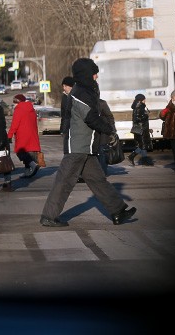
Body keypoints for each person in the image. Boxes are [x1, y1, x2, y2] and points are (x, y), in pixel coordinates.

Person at [39, 58, 136, 227]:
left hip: (86, 147)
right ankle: (49, 216)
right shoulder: (80, 93)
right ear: (86, 74)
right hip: (77, 147)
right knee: (64, 182)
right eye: (94, 73)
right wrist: (108, 129)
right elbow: (90, 117)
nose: (96, 76)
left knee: (98, 180)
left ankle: (118, 212)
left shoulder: (85, 91)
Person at [7, 94, 40, 178]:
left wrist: (9, 135)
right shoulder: (31, 108)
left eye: (15, 102)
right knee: (28, 153)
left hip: (22, 134)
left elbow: (15, 124)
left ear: (18, 102)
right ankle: (27, 172)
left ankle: (33, 165)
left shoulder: (19, 109)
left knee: (20, 152)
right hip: (32, 134)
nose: (14, 104)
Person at [128, 94, 154, 166]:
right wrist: (145, 115)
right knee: (143, 145)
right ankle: (132, 156)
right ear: (141, 100)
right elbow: (137, 118)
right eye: (144, 99)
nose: (145, 100)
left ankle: (145, 161)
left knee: (143, 145)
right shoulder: (139, 107)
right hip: (141, 129)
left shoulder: (139, 106)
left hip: (142, 129)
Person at [97, 98, 116, 176]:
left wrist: (112, 130)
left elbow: (110, 117)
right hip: (93, 133)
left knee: (102, 152)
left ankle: (103, 172)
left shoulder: (101, 103)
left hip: (103, 132)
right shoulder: (87, 101)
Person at [59, 76, 75, 153]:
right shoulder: (64, 97)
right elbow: (63, 114)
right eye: (63, 86)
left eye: (65, 86)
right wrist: (62, 128)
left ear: (71, 86)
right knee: (67, 150)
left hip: (75, 127)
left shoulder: (76, 97)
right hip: (66, 127)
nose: (64, 88)